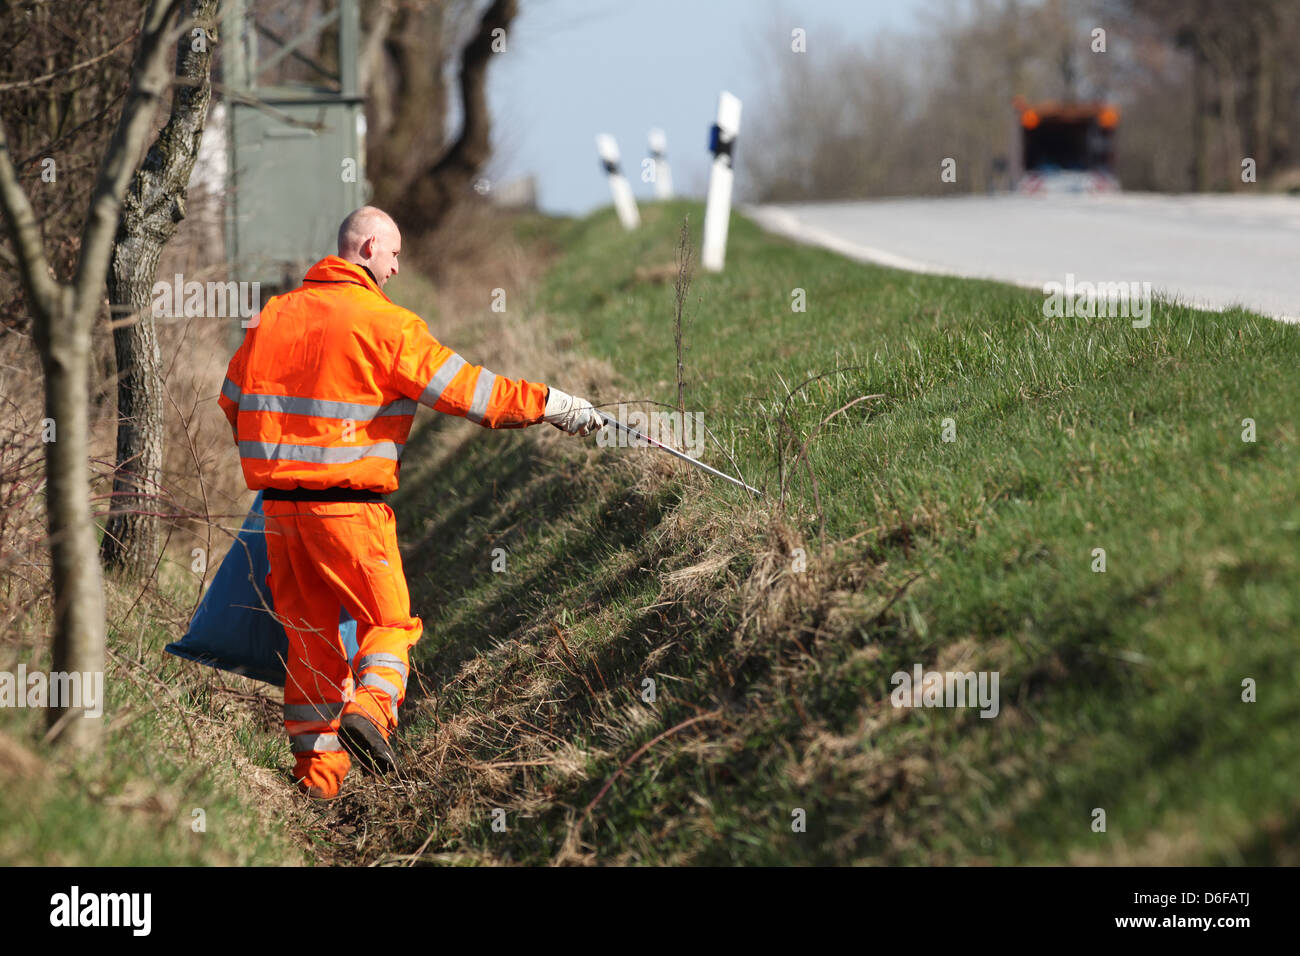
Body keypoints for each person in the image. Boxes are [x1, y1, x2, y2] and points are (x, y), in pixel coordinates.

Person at [218, 206, 602, 799]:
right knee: (391, 622)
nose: (396, 269)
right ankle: (371, 713)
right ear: (369, 246)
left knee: (312, 644)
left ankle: (318, 787)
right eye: (393, 255)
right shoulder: (387, 325)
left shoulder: (273, 315)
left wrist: (279, 456)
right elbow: (473, 393)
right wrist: (550, 403)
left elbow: (231, 399)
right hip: (349, 511)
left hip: (280, 511)